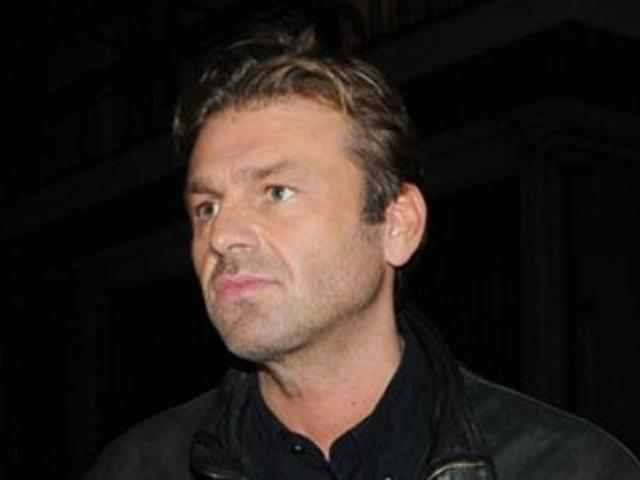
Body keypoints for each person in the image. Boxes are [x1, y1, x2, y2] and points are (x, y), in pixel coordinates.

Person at [84, 26, 640, 480]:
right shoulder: (135, 469)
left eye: (277, 192)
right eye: (206, 206)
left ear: (398, 225)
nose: (222, 234)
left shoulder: (572, 469)